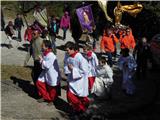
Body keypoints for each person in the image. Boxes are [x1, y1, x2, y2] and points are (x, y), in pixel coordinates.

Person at [65, 42, 90, 114]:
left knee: (78, 96)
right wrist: (68, 71)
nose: (67, 52)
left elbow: (84, 71)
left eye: (68, 50)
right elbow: (66, 65)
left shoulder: (80, 58)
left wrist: (73, 69)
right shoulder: (68, 56)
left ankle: (80, 109)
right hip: (72, 80)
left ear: (73, 49)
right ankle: (79, 108)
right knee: (71, 96)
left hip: (80, 81)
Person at [36, 40, 61, 106]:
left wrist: (41, 60)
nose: (41, 46)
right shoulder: (45, 53)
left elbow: (47, 65)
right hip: (46, 72)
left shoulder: (51, 55)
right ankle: (45, 96)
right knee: (39, 82)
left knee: (51, 88)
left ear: (47, 47)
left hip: (52, 74)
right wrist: (41, 60)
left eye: (43, 45)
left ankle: (52, 100)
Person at [31, 30, 43, 94]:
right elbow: (30, 50)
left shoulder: (42, 41)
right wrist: (26, 60)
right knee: (34, 75)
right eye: (33, 33)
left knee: (38, 76)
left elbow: (45, 51)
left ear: (38, 34)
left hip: (40, 62)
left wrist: (42, 58)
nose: (33, 35)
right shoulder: (32, 40)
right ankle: (37, 89)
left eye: (34, 34)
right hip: (35, 61)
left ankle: (39, 91)